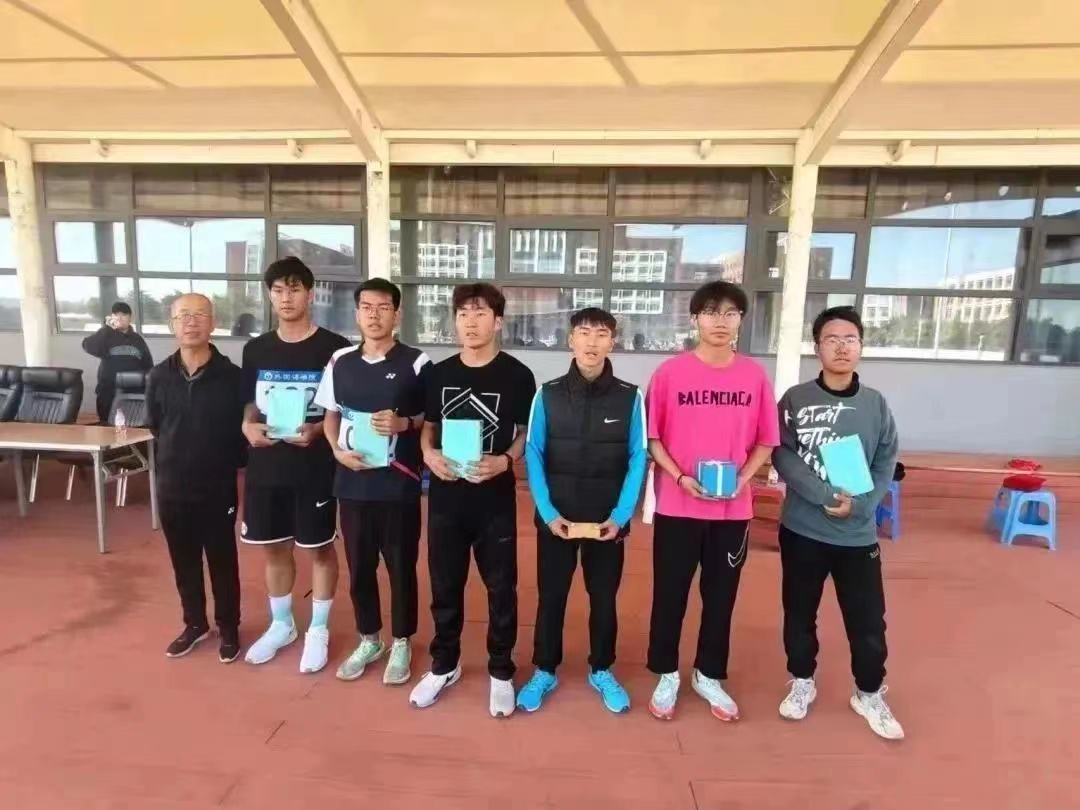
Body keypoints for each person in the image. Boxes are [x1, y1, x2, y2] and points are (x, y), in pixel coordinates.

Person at [644, 280, 780, 722]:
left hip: (731, 511)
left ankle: (708, 674)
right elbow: (652, 438)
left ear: (741, 321)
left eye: (730, 313)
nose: (720, 322)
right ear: (695, 319)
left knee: (721, 597)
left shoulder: (754, 376)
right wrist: (680, 477)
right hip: (677, 506)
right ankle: (666, 672)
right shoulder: (669, 374)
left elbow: (766, 440)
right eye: (711, 312)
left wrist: (743, 478)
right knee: (670, 594)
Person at [771, 306, 904, 740]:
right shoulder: (795, 399)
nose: (842, 347)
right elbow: (782, 453)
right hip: (803, 530)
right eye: (832, 339)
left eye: (850, 339)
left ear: (861, 347)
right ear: (817, 348)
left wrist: (862, 506)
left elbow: (886, 460)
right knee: (799, 613)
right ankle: (802, 681)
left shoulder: (876, 404)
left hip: (857, 536)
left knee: (868, 621)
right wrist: (825, 495)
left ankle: (869, 693)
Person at [410, 283, 536, 718]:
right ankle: (445, 664)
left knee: (501, 587)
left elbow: (526, 433)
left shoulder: (518, 375)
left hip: (494, 498)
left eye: (480, 313)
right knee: (444, 585)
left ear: (498, 322)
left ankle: (501, 670)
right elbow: (428, 427)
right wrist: (429, 455)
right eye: (463, 313)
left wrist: (505, 460)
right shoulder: (438, 374)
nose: (470, 322)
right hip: (446, 496)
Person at [516, 307, 647, 715]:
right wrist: (548, 513)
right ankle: (544, 669)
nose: (592, 342)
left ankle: (602, 668)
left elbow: (638, 457)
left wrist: (620, 517)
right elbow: (533, 453)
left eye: (601, 334)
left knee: (603, 599)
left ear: (613, 342)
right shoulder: (548, 393)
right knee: (551, 597)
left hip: (607, 522)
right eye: (584, 333)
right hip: (558, 520)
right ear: (570, 340)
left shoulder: (630, 396)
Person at [315, 279, 431, 685]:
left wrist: (404, 424)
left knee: (400, 567)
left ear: (397, 314)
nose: (374, 315)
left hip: (398, 484)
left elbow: (430, 418)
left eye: (383, 307)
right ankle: (369, 639)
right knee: (359, 566)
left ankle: (401, 640)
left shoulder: (417, 362)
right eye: (367, 307)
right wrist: (336, 451)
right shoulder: (340, 361)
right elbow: (331, 415)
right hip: (352, 484)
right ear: (357, 313)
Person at [240, 257, 351, 674]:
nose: (286, 298)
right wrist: (247, 425)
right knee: (274, 547)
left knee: (319, 548)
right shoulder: (256, 349)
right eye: (278, 290)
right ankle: (282, 624)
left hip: (315, 467)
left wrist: (319, 429)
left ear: (310, 293)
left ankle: (318, 630)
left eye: (294, 289)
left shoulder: (335, 349)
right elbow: (250, 402)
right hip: (267, 465)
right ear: (270, 296)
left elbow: (345, 409)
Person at [146, 294, 246, 663]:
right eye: (183, 316)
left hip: (216, 485)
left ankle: (229, 626)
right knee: (183, 560)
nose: (191, 322)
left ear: (213, 323)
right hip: (172, 485)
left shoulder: (232, 376)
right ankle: (195, 624)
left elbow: (240, 430)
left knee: (222, 560)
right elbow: (156, 425)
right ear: (172, 324)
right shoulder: (159, 375)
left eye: (200, 315)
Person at [82, 301, 153, 423]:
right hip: (108, 391)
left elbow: (148, 365)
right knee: (106, 425)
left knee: (132, 425)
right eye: (116, 315)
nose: (119, 318)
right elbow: (87, 346)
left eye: (123, 315)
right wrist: (107, 328)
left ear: (130, 318)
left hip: (133, 394)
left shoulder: (138, 340)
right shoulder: (105, 335)